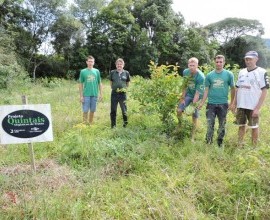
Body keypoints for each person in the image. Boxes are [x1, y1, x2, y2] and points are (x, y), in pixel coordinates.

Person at [198, 55, 235, 147]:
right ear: (214, 62)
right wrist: (202, 102)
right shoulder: (209, 75)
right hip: (211, 104)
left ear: (224, 62)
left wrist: (232, 103)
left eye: (220, 62)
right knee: (210, 123)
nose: (219, 63)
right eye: (217, 62)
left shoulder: (229, 74)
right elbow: (206, 90)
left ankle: (220, 143)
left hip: (223, 104)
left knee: (222, 124)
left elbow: (233, 89)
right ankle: (208, 142)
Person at [233, 51, 269, 147]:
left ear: (256, 59)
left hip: (253, 106)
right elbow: (237, 89)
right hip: (241, 105)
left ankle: (254, 147)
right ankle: (240, 145)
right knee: (241, 126)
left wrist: (257, 108)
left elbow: (265, 91)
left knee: (254, 127)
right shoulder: (242, 72)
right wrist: (234, 103)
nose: (248, 61)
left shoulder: (261, 72)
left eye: (250, 59)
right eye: (246, 59)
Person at [177, 57, 205, 140]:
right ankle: (180, 125)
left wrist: (191, 107)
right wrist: (182, 98)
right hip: (188, 94)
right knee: (179, 110)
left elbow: (197, 93)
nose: (192, 67)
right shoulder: (186, 72)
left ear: (197, 65)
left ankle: (192, 135)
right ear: (188, 65)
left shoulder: (201, 77)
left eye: (193, 65)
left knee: (194, 116)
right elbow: (185, 85)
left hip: (198, 96)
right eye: (190, 65)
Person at [79, 55, 103, 124]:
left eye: (92, 61)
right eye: (89, 61)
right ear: (86, 62)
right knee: (85, 110)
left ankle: (90, 123)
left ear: (94, 62)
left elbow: (99, 83)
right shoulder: (83, 71)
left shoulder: (97, 71)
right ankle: (84, 123)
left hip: (94, 94)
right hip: (86, 94)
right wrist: (81, 96)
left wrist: (101, 94)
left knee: (92, 110)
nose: (90, 63)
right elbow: (80, 84)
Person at [110, 58, 131, 128]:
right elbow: (111, 83)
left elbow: (127, 83)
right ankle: (113, 126)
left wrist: (124, 89)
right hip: (114, 94)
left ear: (123, 65)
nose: (119, 65)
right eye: (118, 64)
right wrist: (115, 88)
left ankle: (125, 124)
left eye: (121, 64)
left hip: (123, 94)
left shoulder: (126, 73)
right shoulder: (112, 72)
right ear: (116, 65)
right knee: (113, 110)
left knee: (124, 110)